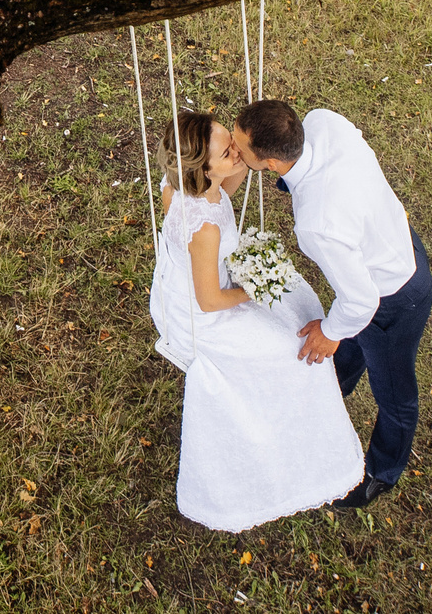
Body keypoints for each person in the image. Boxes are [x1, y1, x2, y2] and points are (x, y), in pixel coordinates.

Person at [147, 109, 365, 528]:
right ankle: (277, 434)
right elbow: (210, 301)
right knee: (291, 348)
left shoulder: (188, 184)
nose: (236, 150)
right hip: (204, 315)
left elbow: (238, 173)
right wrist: (257, 285)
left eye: (229, 138)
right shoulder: (203, 228)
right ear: (204, 169)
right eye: (227, 151)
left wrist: (248, 147)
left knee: (302, 306)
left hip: (205, 282)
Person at [232, 98, 432, 511]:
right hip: (393, 236)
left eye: (240, 147)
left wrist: (329, 332)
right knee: (350, 346)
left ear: (271, 163)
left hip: (392, 296)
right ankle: (329, 395)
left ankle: (381, 474)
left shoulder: (317, 223)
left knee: (395, 392)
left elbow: (361, 302)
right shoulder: (323, 121)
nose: (233, 149)